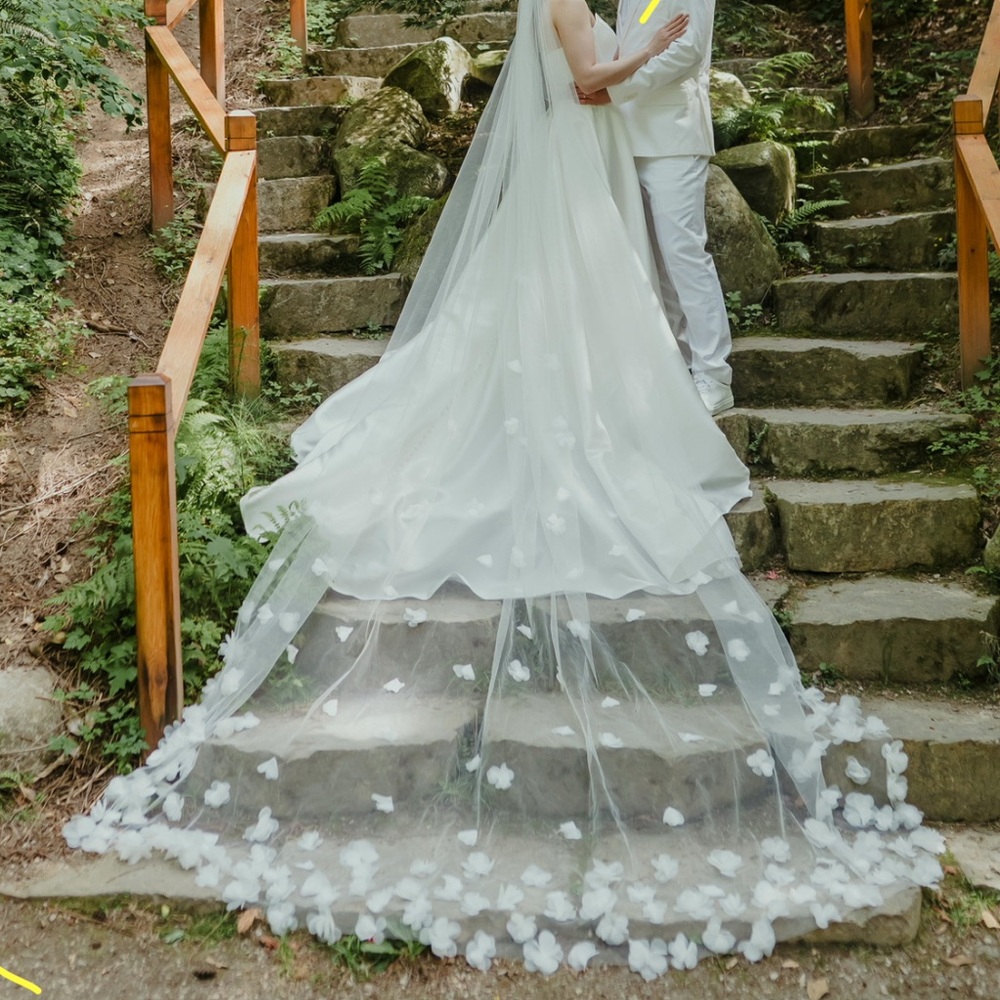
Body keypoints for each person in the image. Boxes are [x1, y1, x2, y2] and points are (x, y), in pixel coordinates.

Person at [64, 0, 942, 977]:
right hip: (570, 163)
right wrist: (645, 47)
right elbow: (583, 81)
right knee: (558, 306)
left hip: (575, 169)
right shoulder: (565, 4)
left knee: (581, 304)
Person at [580, 0, 735, 415]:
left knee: (683, 252)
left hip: (674, 136)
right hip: (627, 134)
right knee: (652, 258)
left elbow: (687, 53)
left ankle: (714, 373)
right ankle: (676, 365)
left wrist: (616, 91)